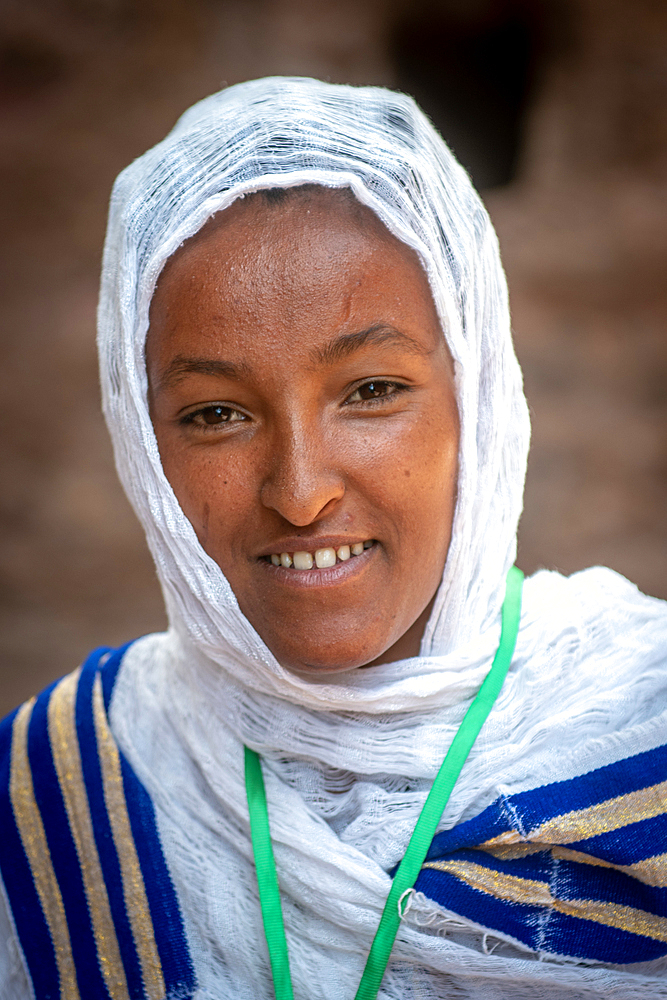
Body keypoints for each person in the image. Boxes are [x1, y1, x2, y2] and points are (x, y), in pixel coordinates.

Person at [1, 76, 667, 1000]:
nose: (302, 493)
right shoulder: (61, 786)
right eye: (217, 413)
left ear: (476, 397)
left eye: (371, 391)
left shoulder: (644, 722)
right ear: (140, 438)